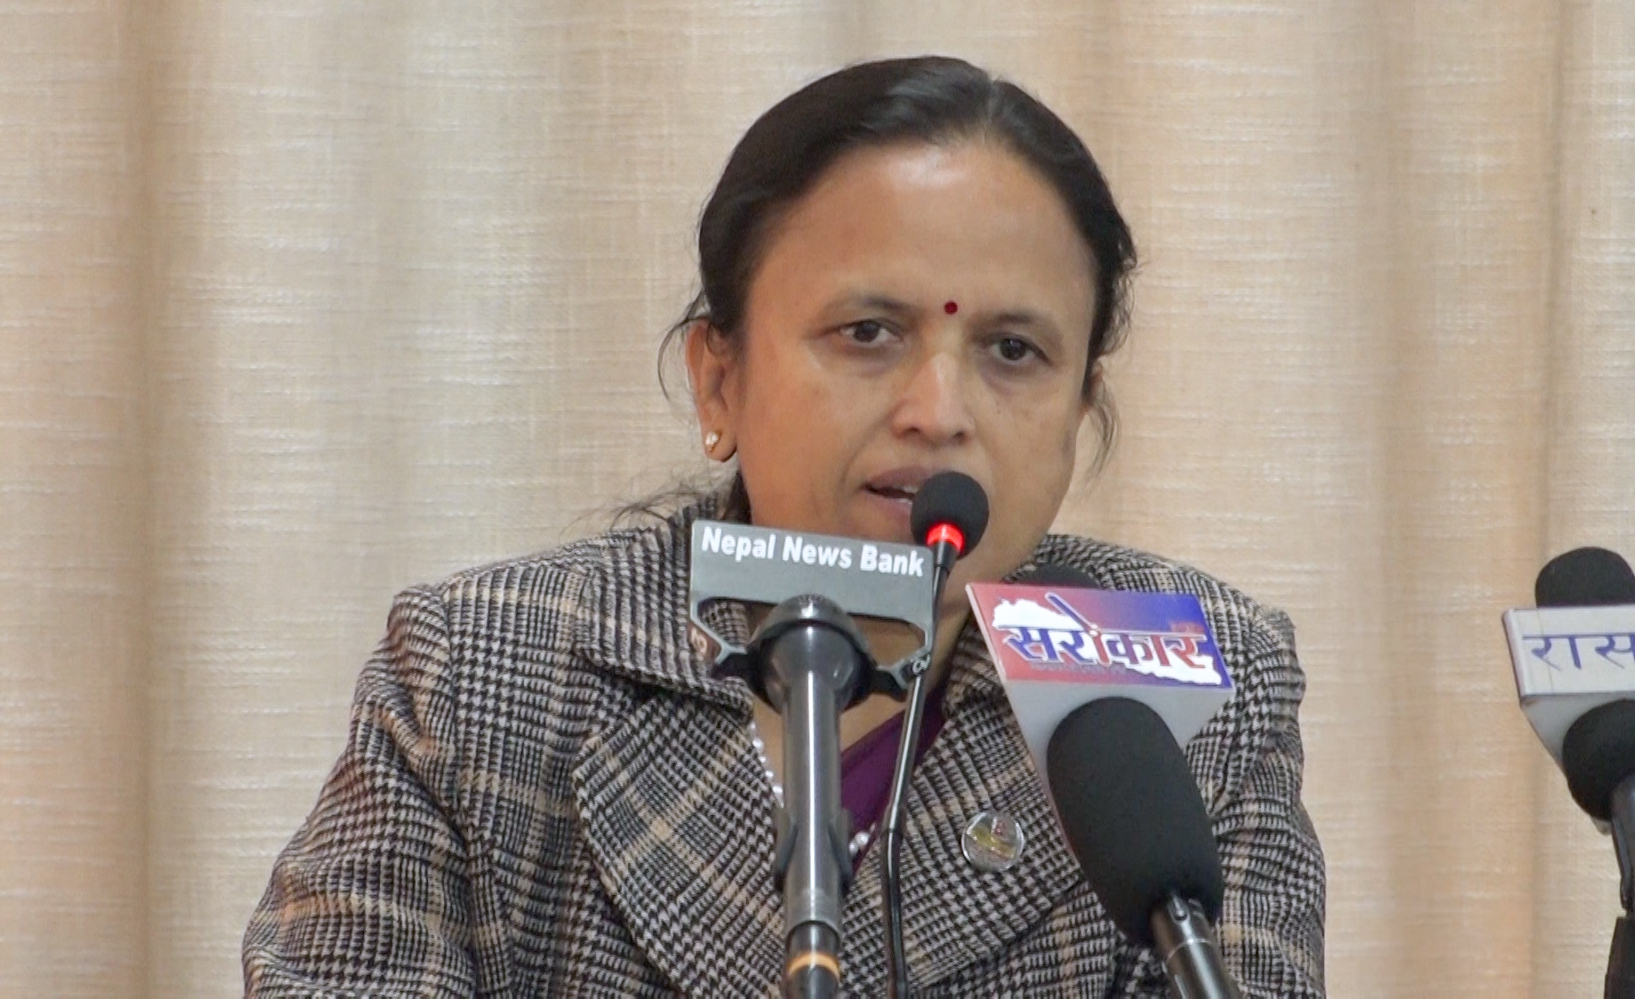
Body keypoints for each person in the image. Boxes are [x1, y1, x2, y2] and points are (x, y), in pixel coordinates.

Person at [243, 55, 1325, 997]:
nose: (938, 411)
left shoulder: (1196, 683)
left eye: (1013, 351)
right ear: (720, 380)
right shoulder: (483, 672)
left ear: (1078, 412)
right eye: (868, 332)